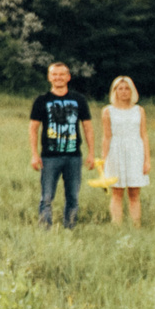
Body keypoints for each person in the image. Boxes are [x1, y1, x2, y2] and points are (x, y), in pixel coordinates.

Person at [27, 61, 96, 229]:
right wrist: (34, 154)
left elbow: (87, 127)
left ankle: (70, 228)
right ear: (49, 77)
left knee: (73, 196)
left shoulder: (78, 99)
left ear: (68, 77)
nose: (58, 78)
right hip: (49, 156)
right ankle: (45, 228)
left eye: (62, 74)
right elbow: (33, 129)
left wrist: (91, 153)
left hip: (73, 156)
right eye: (54, 74)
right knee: (47, 197)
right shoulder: (42, 100)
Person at [97, 74, 149, 226]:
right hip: (115, 152)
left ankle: (136, 225)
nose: (124, 92)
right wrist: (103, 159)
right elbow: (106, 137)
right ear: (115, 91)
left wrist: (147, 160)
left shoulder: (139, 110)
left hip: (135, 152)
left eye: (127, 88)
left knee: (134, 193)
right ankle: (117, 225)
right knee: (117, 192)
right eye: (120, 88)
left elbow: (144, 135)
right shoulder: (108, 111)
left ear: (132, 91)